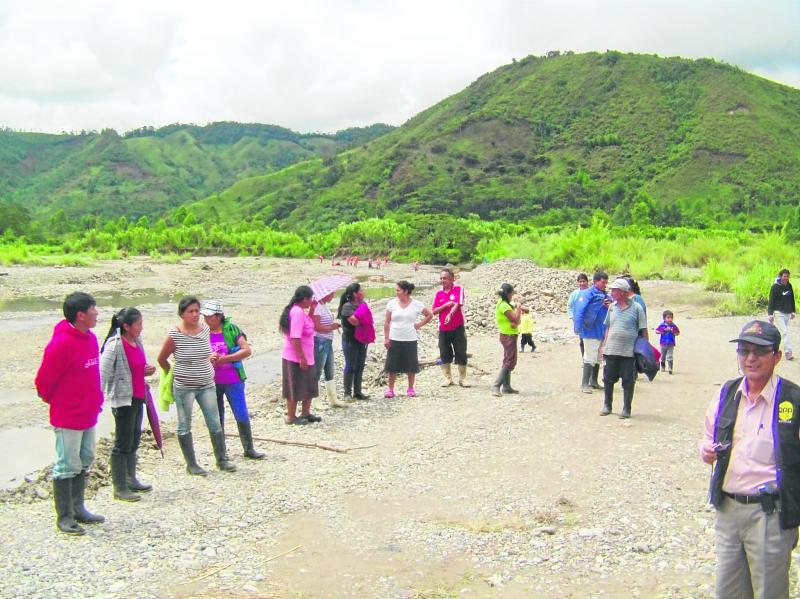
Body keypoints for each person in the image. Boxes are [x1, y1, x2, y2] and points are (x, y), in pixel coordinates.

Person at [701, 320, 800, 599]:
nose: (750, 358)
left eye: (759, 351)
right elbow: (708, 437)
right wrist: (706, 451)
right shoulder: (727, 393)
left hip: (771, 513)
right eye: (744, 351)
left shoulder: (793, 400)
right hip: (728, 510)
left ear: (777, 356)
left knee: (771, 592)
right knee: (728, 591)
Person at [35, 292, 104, 535]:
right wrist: (62, 402)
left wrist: (95, 400)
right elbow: (43, 383)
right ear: (80, 315)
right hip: (68, 415)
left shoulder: (91, 338)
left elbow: (93, 374)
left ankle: (78, 508)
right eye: (93, 309)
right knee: (67, 464)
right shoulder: (61, 343)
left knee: (85, 458)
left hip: (88, 412)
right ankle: (64, 517)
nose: (97, 313)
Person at [157, 296, 236, 475]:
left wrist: (210, 358)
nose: (194, 315)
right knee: (184, 424)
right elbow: (162, 359)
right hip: (184, 386)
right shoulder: (175, 334)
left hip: (207, 383)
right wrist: (172, 373)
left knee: (214, 422)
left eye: (196, 311)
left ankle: (222, 459)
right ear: (181, 314)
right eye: (190, 311)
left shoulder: (205, 329)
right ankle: (191, 464)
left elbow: (205, 351)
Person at [100, 307, 157, 503]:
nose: (141, 328)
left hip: (138, 396)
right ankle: (120, 487)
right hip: (123, 400)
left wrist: (146, 370)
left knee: (134, 439)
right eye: (138, 324)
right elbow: (103, 373)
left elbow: (137, 367)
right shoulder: (115, 345)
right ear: (126, 326)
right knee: (122, 443)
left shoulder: (136, 341)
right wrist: (96, 400)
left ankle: (131, 478)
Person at [201, 300, 265, 459]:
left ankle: (248, 448)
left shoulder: (232, 330)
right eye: (205, 316)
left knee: (241, 412)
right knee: (217, 416)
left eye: (208, 316)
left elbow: (246, 350)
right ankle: (221, 453)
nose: (205, 319)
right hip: (211, 381)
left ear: (218, 316)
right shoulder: (201, 333)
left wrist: (225, 359)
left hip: (233, 380)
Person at [600, 278, 647, 418]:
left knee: (628, 381)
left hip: (628, 352)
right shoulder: (612, 307)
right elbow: (608, 327)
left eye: (614, 290)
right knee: (608, 379)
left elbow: (643, 330)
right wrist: (604, 346)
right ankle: (607, 405)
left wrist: (645, 350)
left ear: (622, 292)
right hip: (611, 350)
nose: (611, 292)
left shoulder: (637, 308)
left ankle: (626, 409)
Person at [383, 281, 433, 397]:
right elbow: (387, 321)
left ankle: (410, 388)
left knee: (411, 364)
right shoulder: (391, 304)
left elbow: (429, 315)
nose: (396, 292)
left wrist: (419, 325)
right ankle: (390, 389)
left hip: (410, 338)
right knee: (392, 365)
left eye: (398, 290)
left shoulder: (416, 304)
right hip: (394, 337)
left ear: (405, 291)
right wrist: (386, 338)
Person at [279, 286, 320, 424]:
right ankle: (291, 416)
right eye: (310, 299)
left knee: (308, 384)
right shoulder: (296, 313)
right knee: (294, 385)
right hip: (295, 357)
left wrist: (313, 309)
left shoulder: (301, 312)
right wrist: (301, 357)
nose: (311, 301)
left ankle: (305, 413)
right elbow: (295, 337)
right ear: (304, 299)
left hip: (307, 356)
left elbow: (307, 324)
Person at [432, 268, 470, 387]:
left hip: (458, 327)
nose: (443, 280)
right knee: (444, 352)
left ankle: (462, 378)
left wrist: (450, 313)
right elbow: (434, 311)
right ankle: (448, 378)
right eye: (441, 278)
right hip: (443, 329)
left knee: (461, 352)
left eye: (445, 278)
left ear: (452, 279)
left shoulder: (459, 289)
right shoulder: (438, 294)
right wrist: (445, 305)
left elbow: (457, 304)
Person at [573, 272, 610, 393]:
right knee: (589, 357)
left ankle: (594, 381)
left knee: (598, 357)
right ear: (595, 282)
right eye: (603, 282)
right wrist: (577, 327)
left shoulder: (604, 295)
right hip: (590, 330)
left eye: (606, 282)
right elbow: (579, 310)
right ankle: (584, 384)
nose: (605, 284)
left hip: (601, 330)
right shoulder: (587, 293)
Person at [337, 283, 373, 400]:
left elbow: (367, 319)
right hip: (350, 340)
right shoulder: (347, 307)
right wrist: (364, 317)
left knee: (360, 365)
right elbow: (355, 322)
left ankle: (358, 392)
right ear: (355, 294)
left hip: (362, 340)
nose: (363, 292)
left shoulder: (363, 304)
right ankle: (347, 393)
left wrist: (363, 317)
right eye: (361, 290)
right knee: (350, 365)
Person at [312, 291, 348, 408]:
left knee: (329, 369)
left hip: (327, 341)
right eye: (331, 294)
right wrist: (330, 327)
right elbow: (316, 326)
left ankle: (333, 399)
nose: (333, 296)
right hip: (320, 341)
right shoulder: (317, 307)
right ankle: (316, 400)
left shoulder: (324, 305)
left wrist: (332, 326)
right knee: (317, 370)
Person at [491, 283, 523, 397]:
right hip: (508, 335)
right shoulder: (504, 305)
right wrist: (519, 307)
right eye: (512, 293)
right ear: (508, 294)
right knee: (510, 361)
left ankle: (506, 386)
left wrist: (516, 320)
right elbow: (515, 318)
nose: (512, 296)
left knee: (507, 360)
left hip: (507, 334)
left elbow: (516, 321)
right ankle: (496, 385)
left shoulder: (502, 303)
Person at [768, 268, 795, 361]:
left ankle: (773, 349)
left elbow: (792, 299)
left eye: (787, 276)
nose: (786, 278)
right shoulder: (775, 286)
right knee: (785, 332)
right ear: (780, 276)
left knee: (782, 333)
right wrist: (770, 314)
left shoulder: (789, 285)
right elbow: (771, 301)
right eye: (784, 276)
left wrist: (793, 311)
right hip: (778, 312)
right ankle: (788, 352)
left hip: (787, 312)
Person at [567, 273, 589, 359]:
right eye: (580, 282)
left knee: (591, 340)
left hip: (590, 320)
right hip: (579, 321)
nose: (582, 283)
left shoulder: (591, 292)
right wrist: (573, 317)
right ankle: (584, 358)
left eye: (583, 281)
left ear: (587, 282)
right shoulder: (575, 294)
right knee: (582, 340)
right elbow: (569, 306)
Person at [655, 310, 680, 374]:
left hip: (671, 344)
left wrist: (673, 332)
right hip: (663, 343)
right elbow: (657, 331)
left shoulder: (673, 326)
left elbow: (678, 333)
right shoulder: (662, 325)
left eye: (671, 318)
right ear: (664, 318)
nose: (670, 319)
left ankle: (670, 368)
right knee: (663, 356)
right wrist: (663, 331)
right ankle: (662, 366)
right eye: (668, 317)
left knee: (670, 356)